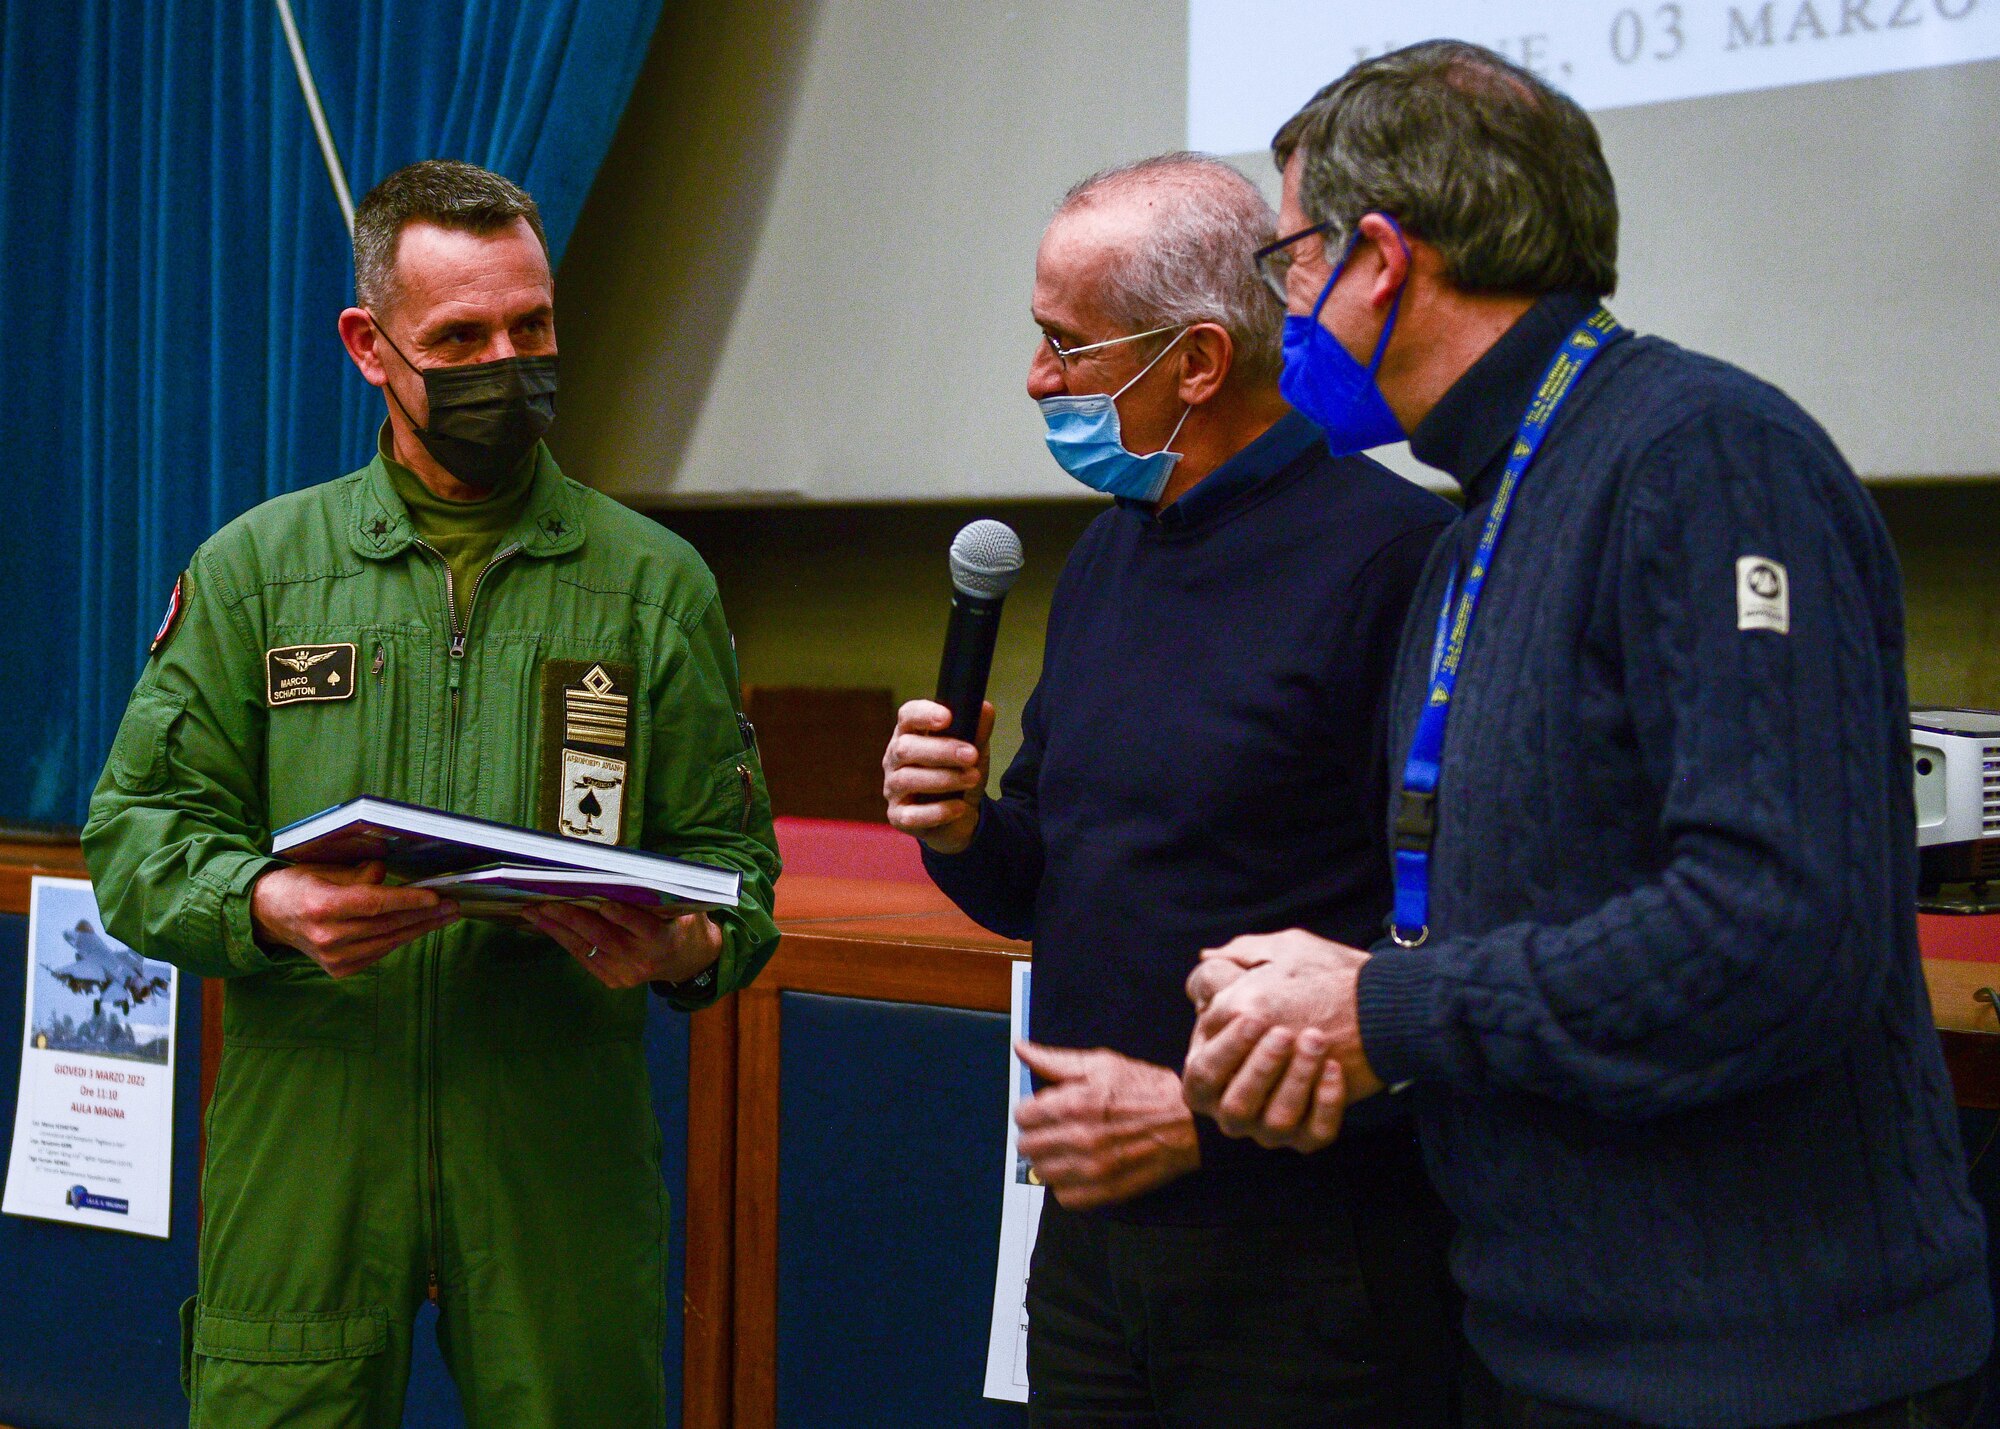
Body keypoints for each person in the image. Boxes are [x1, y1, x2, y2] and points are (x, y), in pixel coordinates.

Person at [1180, 42, 1992, 1429]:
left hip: (1782, 1377)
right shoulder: (1468, 533)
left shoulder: (1706, 455)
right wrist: (1313, 1021)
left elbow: (1774, 927)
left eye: (1290, 260)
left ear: (1382, 256)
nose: (1281, 309)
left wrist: (1380, 1007)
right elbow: (1529, 932)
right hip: (1542, 1348)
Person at [81, 159, 780, 1428]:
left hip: (554, 1143)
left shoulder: (652, 585)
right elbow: (134, 838)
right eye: (459, 337)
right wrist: (269, 904)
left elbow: (739, 874)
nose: (506, 365)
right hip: (310, 1134)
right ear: (369, 345)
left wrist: (684, 943)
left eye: (533, 326)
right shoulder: (257, 574)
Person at [883, 153, 1457, 1426]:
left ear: (1194, 362)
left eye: (1063, 345)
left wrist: (1201, 1120)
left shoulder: (1397, 562)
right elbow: (1047, 881)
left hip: (1305, 1263)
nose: (1036, 380)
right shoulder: (1106, 556)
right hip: (1090, 1245)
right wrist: (967, 823)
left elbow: (1446, 954)